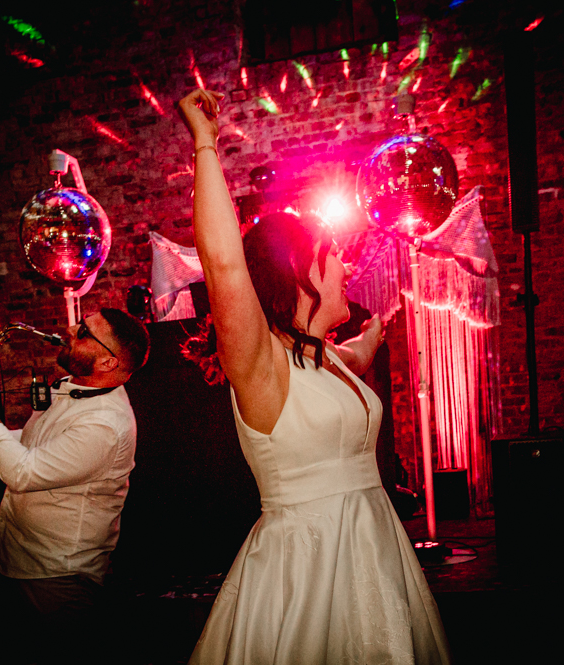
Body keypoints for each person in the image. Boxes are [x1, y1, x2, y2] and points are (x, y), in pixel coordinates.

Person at [177, 88, 451, 664]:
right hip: (305, 564)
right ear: (298, 271)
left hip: (373, 552)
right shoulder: (262, 366)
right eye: (333, 255)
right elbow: (225, 264)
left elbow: (355, 357)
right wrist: (206, 142)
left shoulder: (324, 360)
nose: (347, 266)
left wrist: (381, 326)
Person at [0, 307, 150, 657]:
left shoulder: (105, 425)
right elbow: (26, 445)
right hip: (22, 560)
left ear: (108, 363)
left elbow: (22, 472)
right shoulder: (73, 390)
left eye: (84, 332)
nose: (70, 329)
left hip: (58, 575)